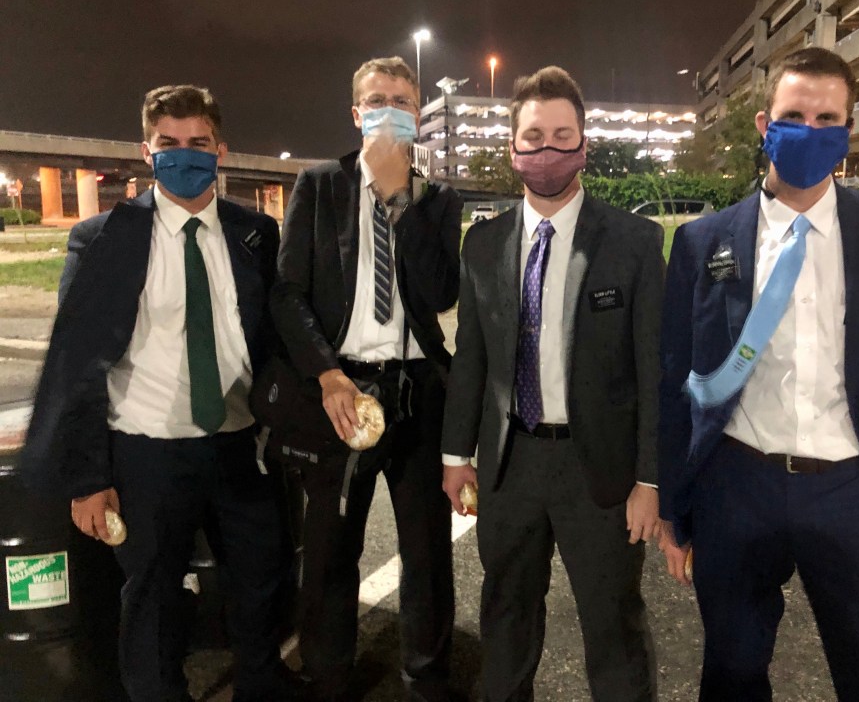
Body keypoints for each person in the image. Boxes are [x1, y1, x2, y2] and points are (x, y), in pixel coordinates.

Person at [658, 47, 859, 701]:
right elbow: (676, 377)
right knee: (732, 671)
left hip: (847, 486)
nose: (809, 131)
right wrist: (674, 502)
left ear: (848, 131)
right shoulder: (702, 241)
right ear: (765, 126)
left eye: (826, 119)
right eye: (792, 117)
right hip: (738, 482)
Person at [21, 85, 304, 702]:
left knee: (261, 579)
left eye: (198, 142)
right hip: (145, 451)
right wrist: (88, 479)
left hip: (237, 444)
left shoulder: (255, 233)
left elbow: (275, 333)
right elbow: (74, 363)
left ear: (220, 150)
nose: (184, 154)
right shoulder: (104, 237)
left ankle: (262, 685)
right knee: (151, 596)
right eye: (168, 143)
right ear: (146, 151)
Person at [441, 66, 663, 702]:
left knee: (613, 628)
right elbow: (471, 358)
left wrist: (651, 480)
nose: (548, 151)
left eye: (563, 136)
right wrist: (456, 456)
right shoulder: (484, 245)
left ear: (584, 144)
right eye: (534, 137)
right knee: (506, 621)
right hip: (511, 464)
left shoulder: (634, 242)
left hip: (601, 472)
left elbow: (654, 367)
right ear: (513, 147)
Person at [271, 56, 461, 702]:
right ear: (356, 114)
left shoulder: (438, 198)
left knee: (427, 550)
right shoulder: (320, 185)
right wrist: (326, 375)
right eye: (376, 100)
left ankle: (427, 678)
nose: (389, 110)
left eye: (402, 101)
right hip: (342, 388)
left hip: (416, 389)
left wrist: (399, 198)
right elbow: (287, 293)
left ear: (418, 115)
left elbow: (439, 291)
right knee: (330, 547)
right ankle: (328, 674)